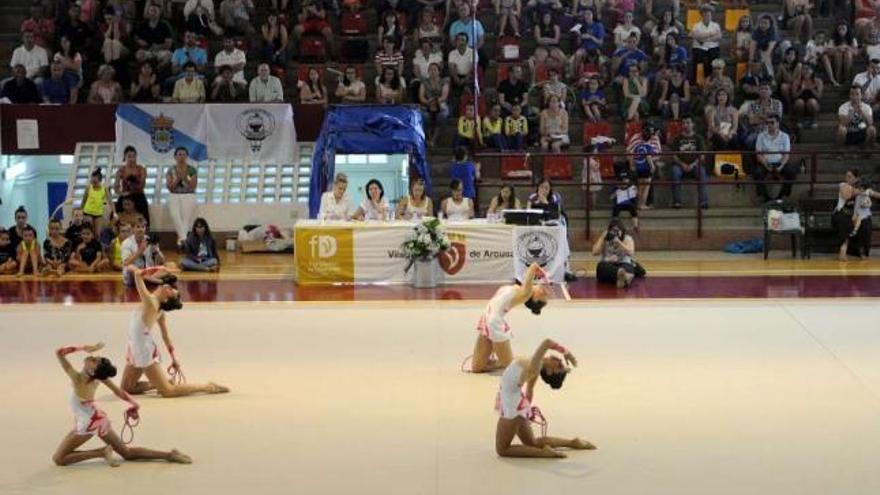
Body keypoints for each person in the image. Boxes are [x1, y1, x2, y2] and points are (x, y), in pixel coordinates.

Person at [52, 343, 192, 466]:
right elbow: (119, 392)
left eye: (94, 360)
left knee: (59, 459)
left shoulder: (77, 378)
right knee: (127, 453)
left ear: (92, 370)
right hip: (98, 418)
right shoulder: (98, 377)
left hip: (88, 422)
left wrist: (83, 348)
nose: (91, 356)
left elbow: (59, 352)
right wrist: (134, 404)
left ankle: (101, 452)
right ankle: (169, 455)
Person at [121, 265, 230, 397]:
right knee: (127, 388)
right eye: (171, 288)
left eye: (172, 291)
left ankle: (208, 386)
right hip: (134, 346)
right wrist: (174, 359)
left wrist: (143, 271)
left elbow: (138, 277)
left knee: (167, 391)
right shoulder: (159, 309)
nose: (169, 287)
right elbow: (166, 337)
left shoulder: (151, 303)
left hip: (143, 350)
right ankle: (158, 382)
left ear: (166, 299)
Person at [494, 338, 595, 458]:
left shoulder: (535, 366)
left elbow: (547, 342)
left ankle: (543, 453)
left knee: (502, 450)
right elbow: (529, 391)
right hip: (517, 401)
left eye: (559, 365)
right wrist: (527, 411)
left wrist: (567, 353)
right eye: (561, 364)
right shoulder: (536, 369)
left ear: (550, 372)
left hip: (511, 404)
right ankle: (573, 443)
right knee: (532, 443)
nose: (560, 360)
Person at [470, 263, 550, 373]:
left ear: (534, 299)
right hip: (487, 320)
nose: (546, 291)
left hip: (494, 324)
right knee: (476, 368)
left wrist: (542, 274)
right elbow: (528, 276)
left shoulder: (525, 294)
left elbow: (533, 266)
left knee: (512, 367)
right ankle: (501, 359)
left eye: (543, 295)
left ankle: (542, 362)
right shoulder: (522, 290)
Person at [833, 169, 880, 260]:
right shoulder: (843, 185)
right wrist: (862, 191)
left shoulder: (861, 187)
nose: (847, 178)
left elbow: (875, 194)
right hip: (842, 213)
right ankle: (843, 250)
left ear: (856, 178)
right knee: (846, 222)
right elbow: (846, 195)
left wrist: (868, 191)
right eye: (846, 176)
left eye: (850, 176)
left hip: (855, 215)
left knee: (866, 224)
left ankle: (863, 252)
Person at [592, 218, 644, 288]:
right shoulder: (605, 239)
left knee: (628, 268)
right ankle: (622, 277)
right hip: (609, 265)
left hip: (623, 264)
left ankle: (621, 277)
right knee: (601, 267)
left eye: (617, 230)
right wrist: (602, 237)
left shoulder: (627, 238)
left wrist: (619, 242)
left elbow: (631, 252)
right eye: (613, 230)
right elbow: (594, 252)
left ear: (622, 231)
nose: (615, 233)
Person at [754, 114, 795, 202]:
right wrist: (766, 165)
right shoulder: (761, 136)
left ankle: (782, 195)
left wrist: (781, 166)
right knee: (757, 173)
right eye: (767, 123)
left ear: (778, 123)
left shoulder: (785, 136)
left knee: (791, 172)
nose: (769, 125)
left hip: (780, 162)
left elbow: (786, 154)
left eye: (772, 122)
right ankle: (765, 197)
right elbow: (758, 154)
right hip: (765, 162)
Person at [165, 147, 199, 250]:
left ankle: (181, 244)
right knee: (175, 216)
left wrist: (184, 177)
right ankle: (185, 240)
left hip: (189, 195)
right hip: (174, 195)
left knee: (185, 220)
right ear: (175, 156)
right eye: (179, 154)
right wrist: (178, 178)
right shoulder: (171, 170)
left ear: (187, 156)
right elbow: (170, 187)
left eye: (184, 154)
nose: (182, 156)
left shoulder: (192, 169)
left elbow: (193, 186)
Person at [671, 116, 708, 209]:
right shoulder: (677, 139)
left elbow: (702, 156)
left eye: (688, 123)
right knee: (675, 172)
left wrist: (692, 164)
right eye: (683, 123)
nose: (685, 125)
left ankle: (703, 202)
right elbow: (674, 156)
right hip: (680, 165)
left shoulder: (698, 138)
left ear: (693, 124)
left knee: (702, 173)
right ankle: (677, 202)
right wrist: (682, 164)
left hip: (695, 164)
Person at [121, 218, 167, 287]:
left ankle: (149, 280)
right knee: (130, 268)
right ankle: (157, 281)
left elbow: (162, 261)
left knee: (167, 267)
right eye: (138, 227)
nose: (141, 229)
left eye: (143, 227)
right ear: (133, 229)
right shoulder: (126, 243)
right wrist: (139, 251)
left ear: (145, 229)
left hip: (148, 272)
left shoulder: (149, 240)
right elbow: (126, 263)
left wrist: (157, 250)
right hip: (133, 276)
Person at [115, 146, 150, 225]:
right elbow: (116, 188)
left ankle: (144, 234)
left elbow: (142, 185)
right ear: (125, 157)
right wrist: (122, 194)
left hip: (138, 195)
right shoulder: (121, 170)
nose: (131, 159)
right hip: (126, 195)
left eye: (134, 156)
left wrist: (133, 183)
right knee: (116, 217)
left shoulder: (141, 169)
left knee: (144, 219)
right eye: (129, 156)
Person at [690, 5, 721, 82]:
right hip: (699, 48)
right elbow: (693, 35)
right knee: (700, 57)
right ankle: (696, 81)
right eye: (705, 14)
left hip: (713, 47)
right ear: (702, 15)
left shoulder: (715, 25)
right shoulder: (696, 25)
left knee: (713, 58)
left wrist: (703, 38)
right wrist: (711, 34)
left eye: (709, 15)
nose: (707, 16)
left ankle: (711, 79)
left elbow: (718, 36)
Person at [81, 168, 113, 235]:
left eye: (95, 182)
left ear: (100, 181)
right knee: (89, 232)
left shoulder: (104, 189)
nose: (93, 184)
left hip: (98, 214)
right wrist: (81, 211)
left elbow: (110, 201)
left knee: (97, 234)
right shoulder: (88, 188)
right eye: (92, 182)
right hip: (88, 212)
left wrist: (114, 212)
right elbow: (84, 200)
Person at [792, 65, 823, 129]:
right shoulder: (797, 81)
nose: (805, 71)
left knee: (812, 101)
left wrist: (812, 89)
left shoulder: (818, 81)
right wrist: (801, 90)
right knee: (799, 102)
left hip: (813, 105)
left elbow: (819, 96)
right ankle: (799, 121)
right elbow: (794, 96)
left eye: (808, 69)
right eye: (803, 69)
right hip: (800, 104)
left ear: (812, 71)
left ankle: (814, 121)